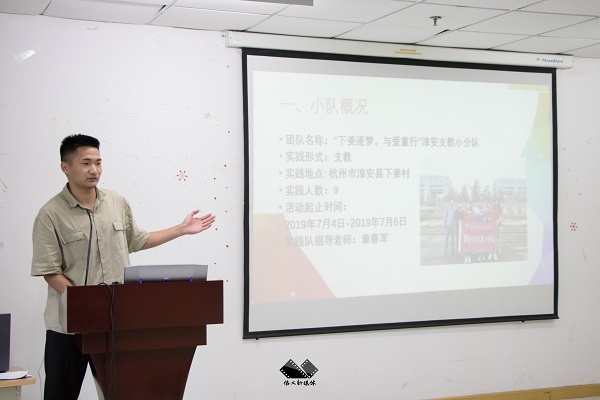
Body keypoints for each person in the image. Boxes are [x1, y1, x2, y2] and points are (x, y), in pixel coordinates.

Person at [30, 134, 216, 400]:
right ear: (65, 167)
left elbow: (137, 241)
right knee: (60, 394)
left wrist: (181, 229)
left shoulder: (116, 202)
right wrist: (82, 302)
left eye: (98, 162)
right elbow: (49, 270)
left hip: (115, 323)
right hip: (69, 326)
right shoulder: (50, 213)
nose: (94, 170)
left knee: (122, 393)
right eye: (86, 163)